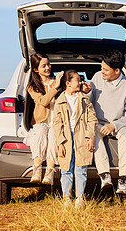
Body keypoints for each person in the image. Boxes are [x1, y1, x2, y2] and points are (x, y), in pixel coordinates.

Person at [83, 50, 126, 195]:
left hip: (118, 124)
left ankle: (123, 178)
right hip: (99, 123)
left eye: (105, 70)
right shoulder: (97, 78)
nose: (102, 72)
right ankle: (104, 175)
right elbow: (87, 103)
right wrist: (87, 92)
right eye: (101, 68)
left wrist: (114, 125)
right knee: (94, 132)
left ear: (117, 70)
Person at [53, 70, 97, 208]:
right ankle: (66, 198)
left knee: (81, 168)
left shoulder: (84, 99)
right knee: (66, 168)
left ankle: (79, 198)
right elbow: (56, 123)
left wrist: (90, 137)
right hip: (66, 138)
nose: (80, 82)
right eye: (77, 80)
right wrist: (60, 143)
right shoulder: (60, 101)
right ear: (68, 83)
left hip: (81, 136)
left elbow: (92, 119)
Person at [26, 53, 64, 185]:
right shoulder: (32, 86)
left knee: (54, 134)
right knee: (41, 132)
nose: (48, 67)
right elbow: (43, 101)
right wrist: (55, 87)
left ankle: (49, 171)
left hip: (56, 120)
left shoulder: (58, 82)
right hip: (41, 121)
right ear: (36, 69)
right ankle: (36, 169)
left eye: (48, 64)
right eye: (44, 66)